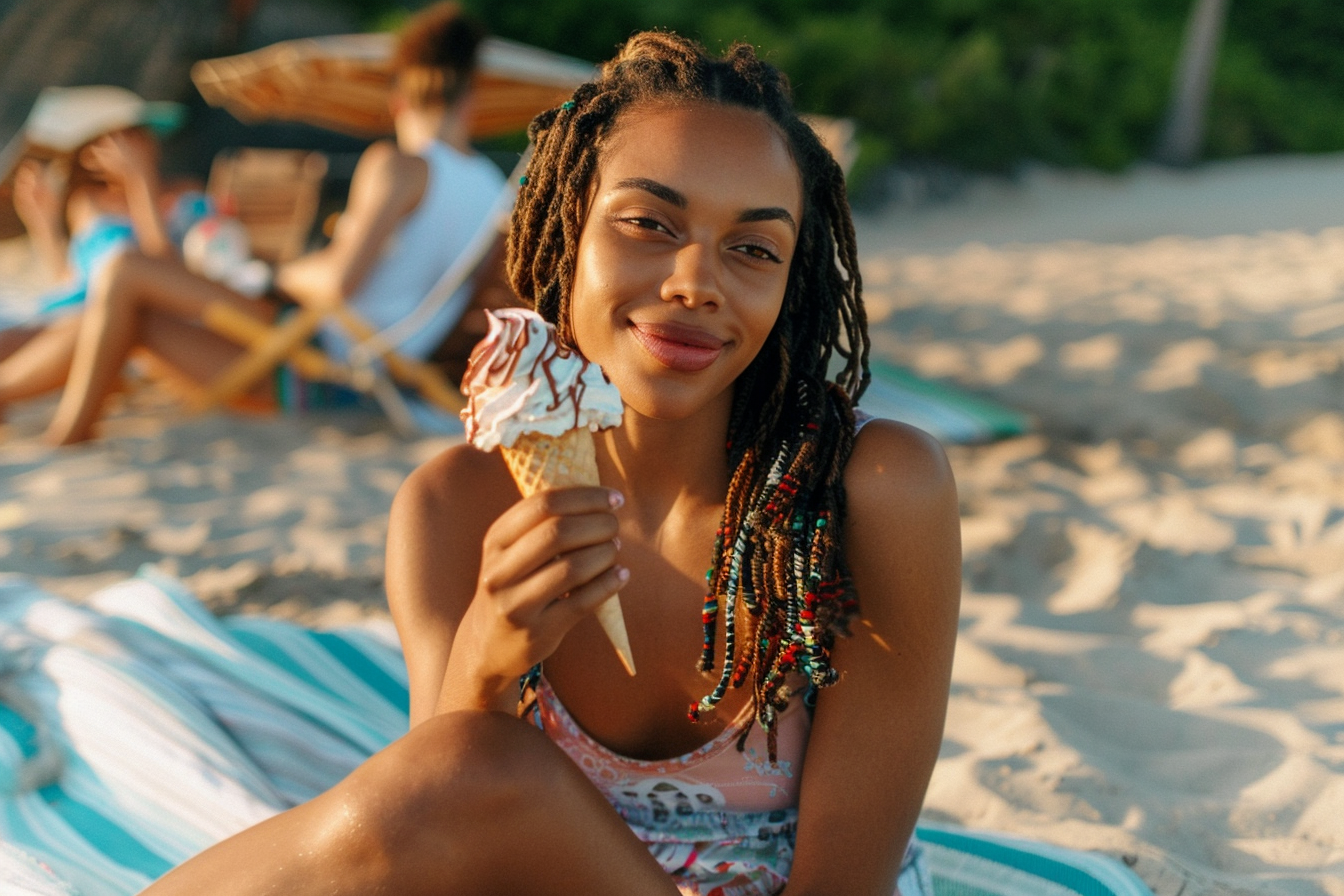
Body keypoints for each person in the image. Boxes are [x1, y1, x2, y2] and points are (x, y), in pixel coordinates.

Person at [139, 31, 961, 896]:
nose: (695, 281)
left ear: (790, 284)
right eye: (649, 223)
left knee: (466, 769)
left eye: (753, 249)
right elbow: (442, 836)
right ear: (567, 233)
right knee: (458, 758)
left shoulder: (868, 490)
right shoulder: (454, 506)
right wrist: (488, 657)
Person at [11, 1, 504, 445]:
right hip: (361, 372)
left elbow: (336, 284)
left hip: (315, 355)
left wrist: (281, 274)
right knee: (126, 309)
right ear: (472, 101)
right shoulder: (490, 186)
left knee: (124, 271)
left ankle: (69, 434)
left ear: (397, 98)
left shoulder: (398, 165)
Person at [0, 86, 190, 422]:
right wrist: (43, 224)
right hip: (73, 312)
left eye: (141, 134)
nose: (143, 142)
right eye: (127, 136)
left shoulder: (182, 197)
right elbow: (71, 280)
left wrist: (142, 182)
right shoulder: (87, 203)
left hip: (124, 318)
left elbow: (166, 271)